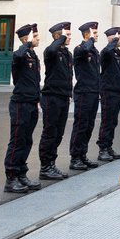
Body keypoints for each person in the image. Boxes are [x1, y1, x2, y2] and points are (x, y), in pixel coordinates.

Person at [4, 23, 41, 193]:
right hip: (20, 104)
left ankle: (21, 173)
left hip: (31, 102)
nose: (38, 39)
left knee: (27, 140)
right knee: (17, 140)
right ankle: (11, 178)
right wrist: (27, 43)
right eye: (36, 36)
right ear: (27, 39)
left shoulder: (32, 54)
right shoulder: (20, 54)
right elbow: (18, 55)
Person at [39, 21, 73, 181]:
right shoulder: (51, 51)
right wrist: (60, 38)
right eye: (68, 35)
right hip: (51, 97)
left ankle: (51, 164)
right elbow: (52, 48)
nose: (70, 37)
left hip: (63, 97)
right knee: (50, 132)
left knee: (58, 134)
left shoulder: (67, 53)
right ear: (59, 36)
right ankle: (45, 167)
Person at [69, 21, 101, 171]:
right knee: (81, 126)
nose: (97, 36)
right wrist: (90, 40)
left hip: (93, 92)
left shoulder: (94, 51)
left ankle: (83, 155)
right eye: (94, 33)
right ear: (87, 35)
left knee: (89, 125)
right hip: (83, 92)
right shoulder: (80, 49)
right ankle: (75, 157)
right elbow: (85, 49)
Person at [97, 26, 120, 163]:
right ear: (112, 38)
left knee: (113, 121)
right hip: (108, 91)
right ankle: (102, 148)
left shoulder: (116, 52)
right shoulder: (107, 52)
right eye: (119, 37)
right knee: (107, 120)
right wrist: (113, 41)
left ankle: (108, 146)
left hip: (116, 90)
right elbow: (107, 51)